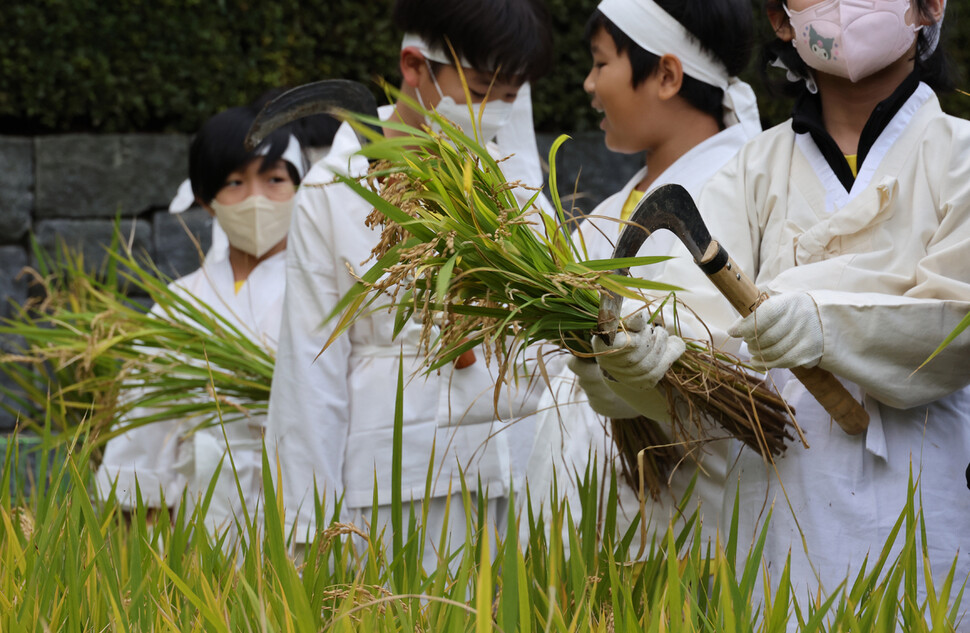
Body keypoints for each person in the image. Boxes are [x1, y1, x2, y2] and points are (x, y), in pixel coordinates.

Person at [597, 0, 970, 622]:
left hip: (925, 510)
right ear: (779, 19)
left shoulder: (961, 157)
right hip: (778, 524)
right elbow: (689, 317)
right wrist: (648, 360)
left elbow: (953, 324)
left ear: (928, 5)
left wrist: (822, 321)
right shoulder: (748, 173)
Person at [265, 0, 554, 567]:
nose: (492, 109)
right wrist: (309, 531)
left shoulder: (513, 188)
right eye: (477, 86)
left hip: (517, 476)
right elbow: (310, 367)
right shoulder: (333, 191)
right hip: (395, 488)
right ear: (414, 65)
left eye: (509, 94)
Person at [524, 0, 762, 552]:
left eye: (601, 63)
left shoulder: (742, 190)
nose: (588, 83)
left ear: (667, 75)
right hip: (579, 504)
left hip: (677, 514)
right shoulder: (612, 206)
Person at [96, 104, 306, 535]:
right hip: (199, 507)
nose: (256, 199)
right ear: (207, 202)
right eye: (234, 182)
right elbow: (147, 412)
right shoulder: (180, 304)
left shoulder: (323, 294)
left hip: (301, 502)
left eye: (274, 180)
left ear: (301, 187)